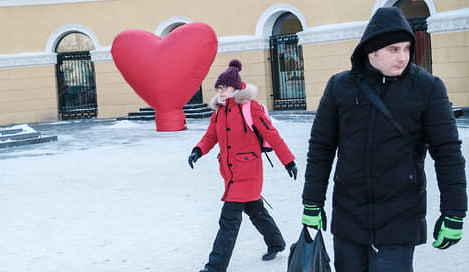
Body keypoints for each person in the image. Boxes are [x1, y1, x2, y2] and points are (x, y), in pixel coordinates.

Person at [301, 7, 467, 272]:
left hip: (400, 219)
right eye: (393, 49)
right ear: (371, 50)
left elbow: (448, 153)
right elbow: (321, 148)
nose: (403, 57)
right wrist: (312, 201)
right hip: (349, 217)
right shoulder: (340, 87)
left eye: (406, 48)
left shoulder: (428, 88)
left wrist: (455, 211)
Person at [188, 59, 298, 272]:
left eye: (225, 87)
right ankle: (276, 243)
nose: (220, 91)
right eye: (218, 88)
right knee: (255, 210)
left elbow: (271, 135)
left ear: (236, 88)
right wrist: (198, 150)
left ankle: (215, 267)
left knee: (228, 220)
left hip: (249, 171)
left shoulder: (251, 108)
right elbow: (211, 136)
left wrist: (289, 161)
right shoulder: (219, 111)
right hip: (230, 172)